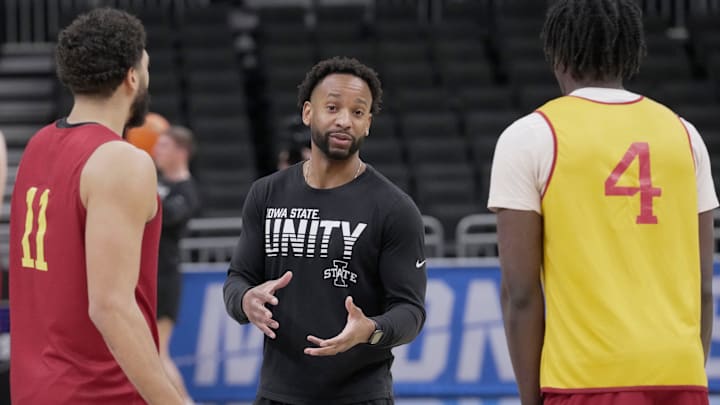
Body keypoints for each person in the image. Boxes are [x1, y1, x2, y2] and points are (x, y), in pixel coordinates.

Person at [488, 1, 718, 405]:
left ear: (558, 53)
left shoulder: (530, 135)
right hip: (681, 374)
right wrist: (688, 373)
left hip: (585, 379)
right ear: (629, 51)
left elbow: (521, 293)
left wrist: (530, 400)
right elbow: (703, 288)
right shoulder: (685, 134)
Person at [223, 57, 427, 405]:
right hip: (277, 394)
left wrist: (371, 331)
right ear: (307, 113)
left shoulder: (395, 208)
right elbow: (237, 279)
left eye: (358, 112)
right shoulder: (266, 194)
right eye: (332, 107)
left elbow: (410, 311)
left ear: (368, 124)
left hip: (360, 395)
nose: (344, 121)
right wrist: (245, 301)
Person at [9, 8, 184, 404]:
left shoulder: (39, 145)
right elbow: (110, 307)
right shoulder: (121, 160)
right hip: (99, 393)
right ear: (132, 77)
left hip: (35, 389)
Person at [152, 125, 201, 403]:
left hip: (164, 278)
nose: (156, 151)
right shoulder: (155, 182)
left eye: (163, 146)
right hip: (144, 277)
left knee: (157, 353)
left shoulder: (187, 190)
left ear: (181, 152)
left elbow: (167, 217)